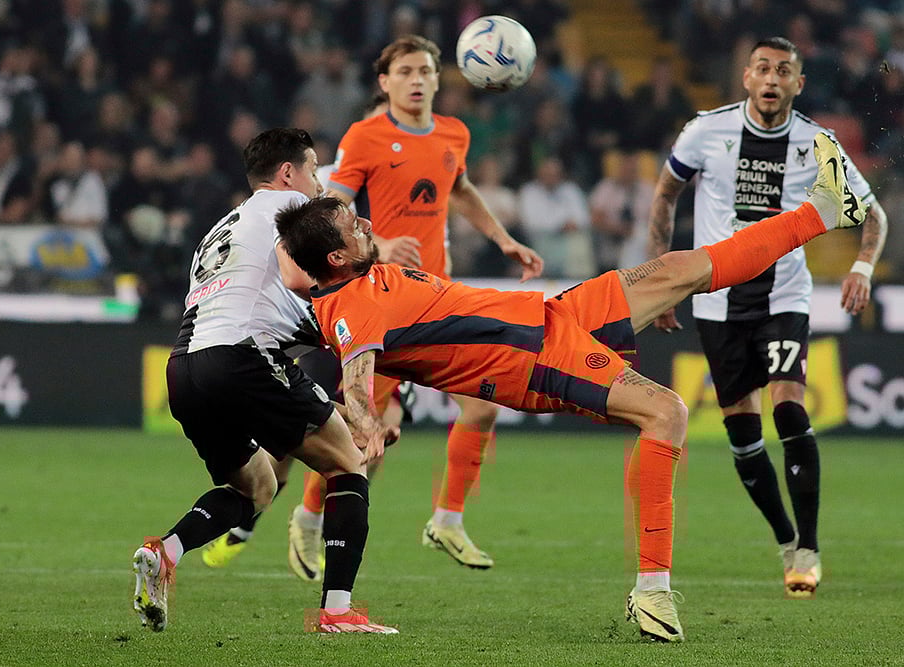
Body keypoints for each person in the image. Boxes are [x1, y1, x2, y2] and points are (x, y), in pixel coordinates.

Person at [275, 132, 868, 642]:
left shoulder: (364, 271)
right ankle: (654, 590)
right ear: (336, 258)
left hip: (546, 314)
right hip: (530, 357)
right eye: (354, 225)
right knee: (666, 412)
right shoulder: (349, 304)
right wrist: (366, 426)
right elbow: (355, 372)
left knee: (680, 268)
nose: (367, 222)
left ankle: (822, 209)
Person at [646, 37, 888, 599]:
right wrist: (663, 279)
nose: (772, 78)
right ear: (747, 79)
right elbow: (664, 197)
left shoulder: (818, 142)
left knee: (788, 409)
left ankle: (808, 545)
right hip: (716, 300)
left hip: (784, 296)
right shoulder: (707, 131)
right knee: (742, 433)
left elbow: (872, 215)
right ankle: (785, 540)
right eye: (762, 68)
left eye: (783, 70)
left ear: (798, 84)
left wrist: (862, 267)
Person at [131, 127, 398, 635]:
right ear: (288, 173)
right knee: (348, 462)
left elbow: (264, 303)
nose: (319, 183)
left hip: (186, 366)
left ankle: (165, 552)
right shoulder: (293, 212)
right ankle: (337, 613)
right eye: (314, 169)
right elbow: (303, 289)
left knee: (257, 486)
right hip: (242, 356)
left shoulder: (221, 227)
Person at [319, 34, 543, 571]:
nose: (417, 80)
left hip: (437, 295)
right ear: (385, 82)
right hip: (382, 301)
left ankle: (447, 520)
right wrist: (373, 245)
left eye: (425, 71)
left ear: (440, 78)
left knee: (485, 404)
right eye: (405, 72)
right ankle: (309, 522)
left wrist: (503, 239)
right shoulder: (366, 136)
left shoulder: (453, 133)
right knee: (361, 426)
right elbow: (330, 211)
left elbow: (459, 190)